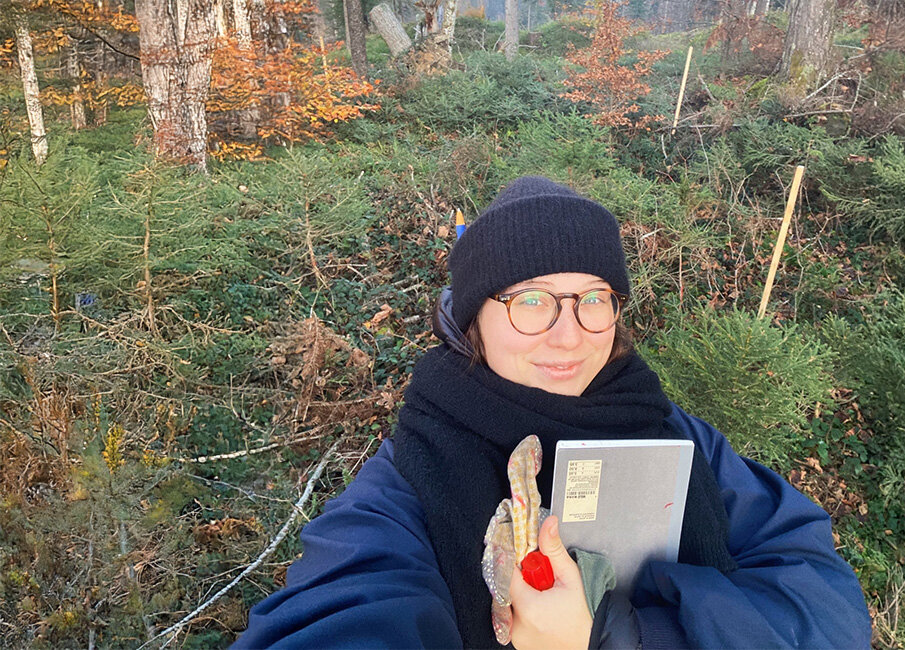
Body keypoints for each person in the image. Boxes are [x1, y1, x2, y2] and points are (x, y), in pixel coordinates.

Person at [234, 177, 872, 649]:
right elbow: (346, 611)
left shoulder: (675, 436)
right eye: (532, 300)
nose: (570, 336)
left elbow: (821, 600)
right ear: (470, 321)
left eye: (594, 298)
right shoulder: (410, 479)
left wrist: (623, 638)